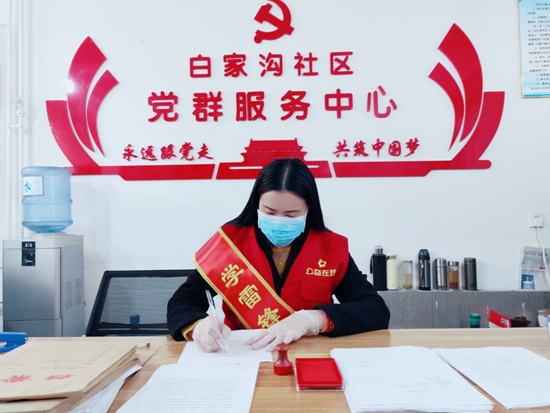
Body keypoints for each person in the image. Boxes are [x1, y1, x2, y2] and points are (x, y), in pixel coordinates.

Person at [167, 157, 390, 352]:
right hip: (243, 355)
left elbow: (376, 310)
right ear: (257, 204)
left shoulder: (329, 248)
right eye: (270, 212)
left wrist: (313, 319)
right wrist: (198, 325)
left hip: (308, 354)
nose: (279, 221)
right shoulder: (231, 243)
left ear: (308, 209)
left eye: (291, 214)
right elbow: (183, 301)